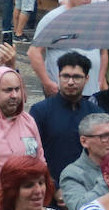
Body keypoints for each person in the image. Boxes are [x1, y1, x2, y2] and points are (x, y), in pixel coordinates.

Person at [28, 50, 104, 185]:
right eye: (65, 76)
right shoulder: (40, 111)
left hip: (88, 188)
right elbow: (32, 155)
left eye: (76, 77)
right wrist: (54, 189)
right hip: (49, 188)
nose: (70, 82)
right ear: (58, 76)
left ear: (86, 79)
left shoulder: (96, 114)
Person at [29, 0, 106, 100]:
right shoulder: (54, 19)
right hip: (64, 90)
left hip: (91, 91)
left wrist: (101, 81)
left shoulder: (96, 19)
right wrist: (47, 82)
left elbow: (103, 52)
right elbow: (34, 52)